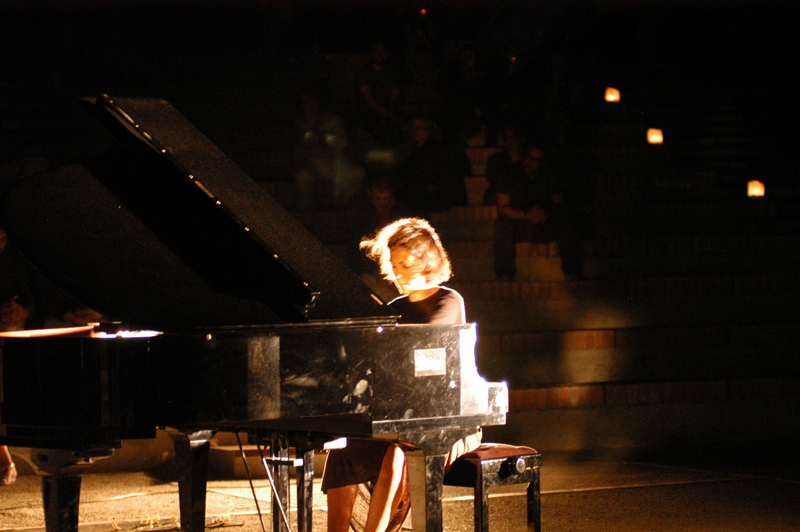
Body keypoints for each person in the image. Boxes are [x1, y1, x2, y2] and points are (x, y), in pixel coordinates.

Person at [323, 217, 481, 532]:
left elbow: (422, 350)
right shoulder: (393, 308)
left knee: (399, 453)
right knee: (344, 452)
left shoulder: (449, 300)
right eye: (394, 265)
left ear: (427, 262)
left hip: (450, 418)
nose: (399, 274)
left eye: (406, 265)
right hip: (401, 417)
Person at [493, 143, 584, 281]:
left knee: (568, 222)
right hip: (520, 224)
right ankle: (504, 275)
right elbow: (502, 208)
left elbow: (559, 205)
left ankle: (573, 273)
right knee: (502, 225)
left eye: (536, 159)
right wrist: (526, 215)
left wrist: (544, 213)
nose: (530, 162)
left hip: (544, 223)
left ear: (542, 162)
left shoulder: (550, 176)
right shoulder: (509, 174)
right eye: (528, 157)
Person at [292, 81, 364, 212]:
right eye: (304, 103)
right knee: (303, 177)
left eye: (310, 102)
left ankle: (347, 212)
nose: (308, 106)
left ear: (317, 101)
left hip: (334, 163)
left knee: (357, 173)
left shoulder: (332, 120)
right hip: (312, 164)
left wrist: (322, 139)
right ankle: (306, 215)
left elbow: (341, 141)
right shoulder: (300, 123)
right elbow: (300, 147)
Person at [394, 116, 469, 217]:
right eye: (413, 128)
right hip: (418, 194)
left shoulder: (437, 150)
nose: (416, 131)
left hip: (433, 195)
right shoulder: (409, 150)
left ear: (428, 130)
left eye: (420, 128)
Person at [354, 41, 404, 147]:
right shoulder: (363, 72)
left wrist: (388, 114)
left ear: (387, 53)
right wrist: (388, 115)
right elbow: (368, 98)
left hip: (387, 112)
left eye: (382, 51)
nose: (379, 54)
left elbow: (394, 97)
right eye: (376, 51)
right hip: (367, 112)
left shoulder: (393, 73)